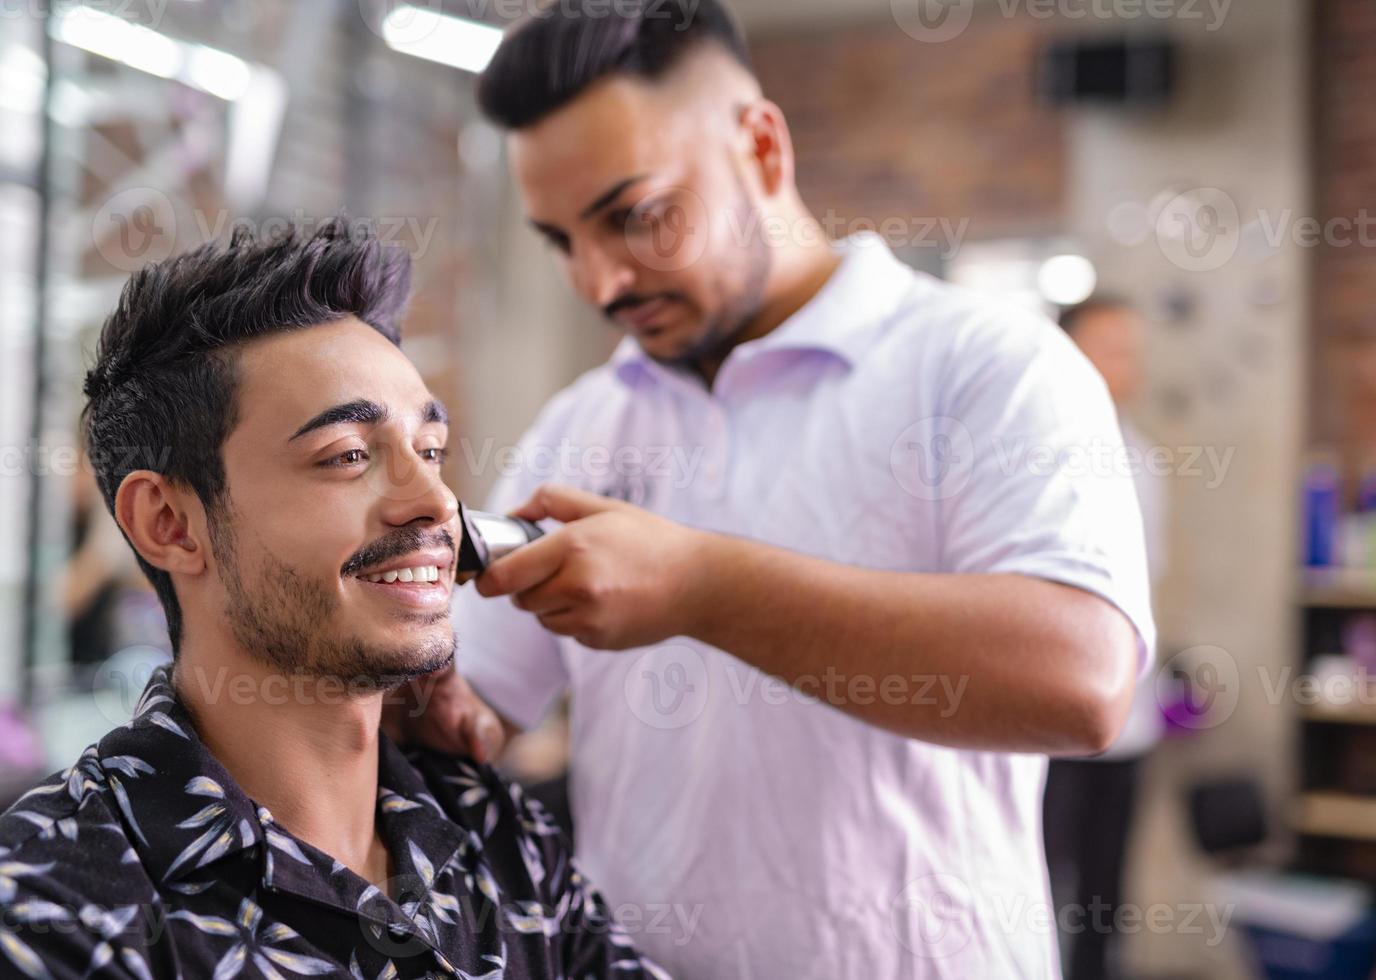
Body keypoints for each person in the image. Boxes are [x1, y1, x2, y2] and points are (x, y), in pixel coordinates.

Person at [401, 1, 1156, 975]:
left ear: (760, 146)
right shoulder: (585, 421)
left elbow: (1080, 678)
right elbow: (477, 703)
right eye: (561, 240)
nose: (599, 280)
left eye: (636, 216)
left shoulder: (985, 366)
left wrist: (702, 586)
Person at [0, 221, 667, 980]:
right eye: (348, 456)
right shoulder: (56, 911)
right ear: (170, 524)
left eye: (431, 452)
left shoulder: (492, 836)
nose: (434, 502)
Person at [1045, 296, 1168, 980]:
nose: (1126, 364)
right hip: (1055, 715)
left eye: (1132, 348)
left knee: (1104, 889)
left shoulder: (1140, 452)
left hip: (1131, 715)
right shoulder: (1040, 450)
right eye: (1110, 346)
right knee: (1044, 882)